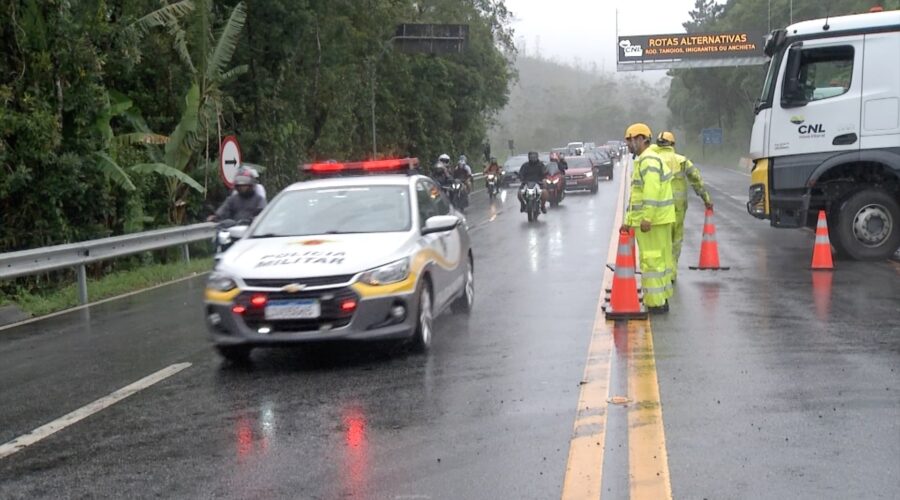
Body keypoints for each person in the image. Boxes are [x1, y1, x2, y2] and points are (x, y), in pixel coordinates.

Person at [620, 123, 675, 314]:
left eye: (631, 140)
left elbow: (652, 190)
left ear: (642, 139)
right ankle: (661, 298)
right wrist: (628, 220)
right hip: (655, 220)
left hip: (653, 222)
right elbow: (637, 195)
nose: (628, 144)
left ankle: (656, 303)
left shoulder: (648, 160)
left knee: (652, 261)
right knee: (660, 261)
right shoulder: (646, 159)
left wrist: (647, 218)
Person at [652, 131, 712, 282]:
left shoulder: (652, 159)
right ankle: (672, 273)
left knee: (660, 242)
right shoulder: (682, 160)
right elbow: (696, 180)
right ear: (672, 144)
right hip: (678, 209)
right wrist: (706, 199)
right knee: (675, 241)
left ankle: (661, 273)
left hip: (658, 209)